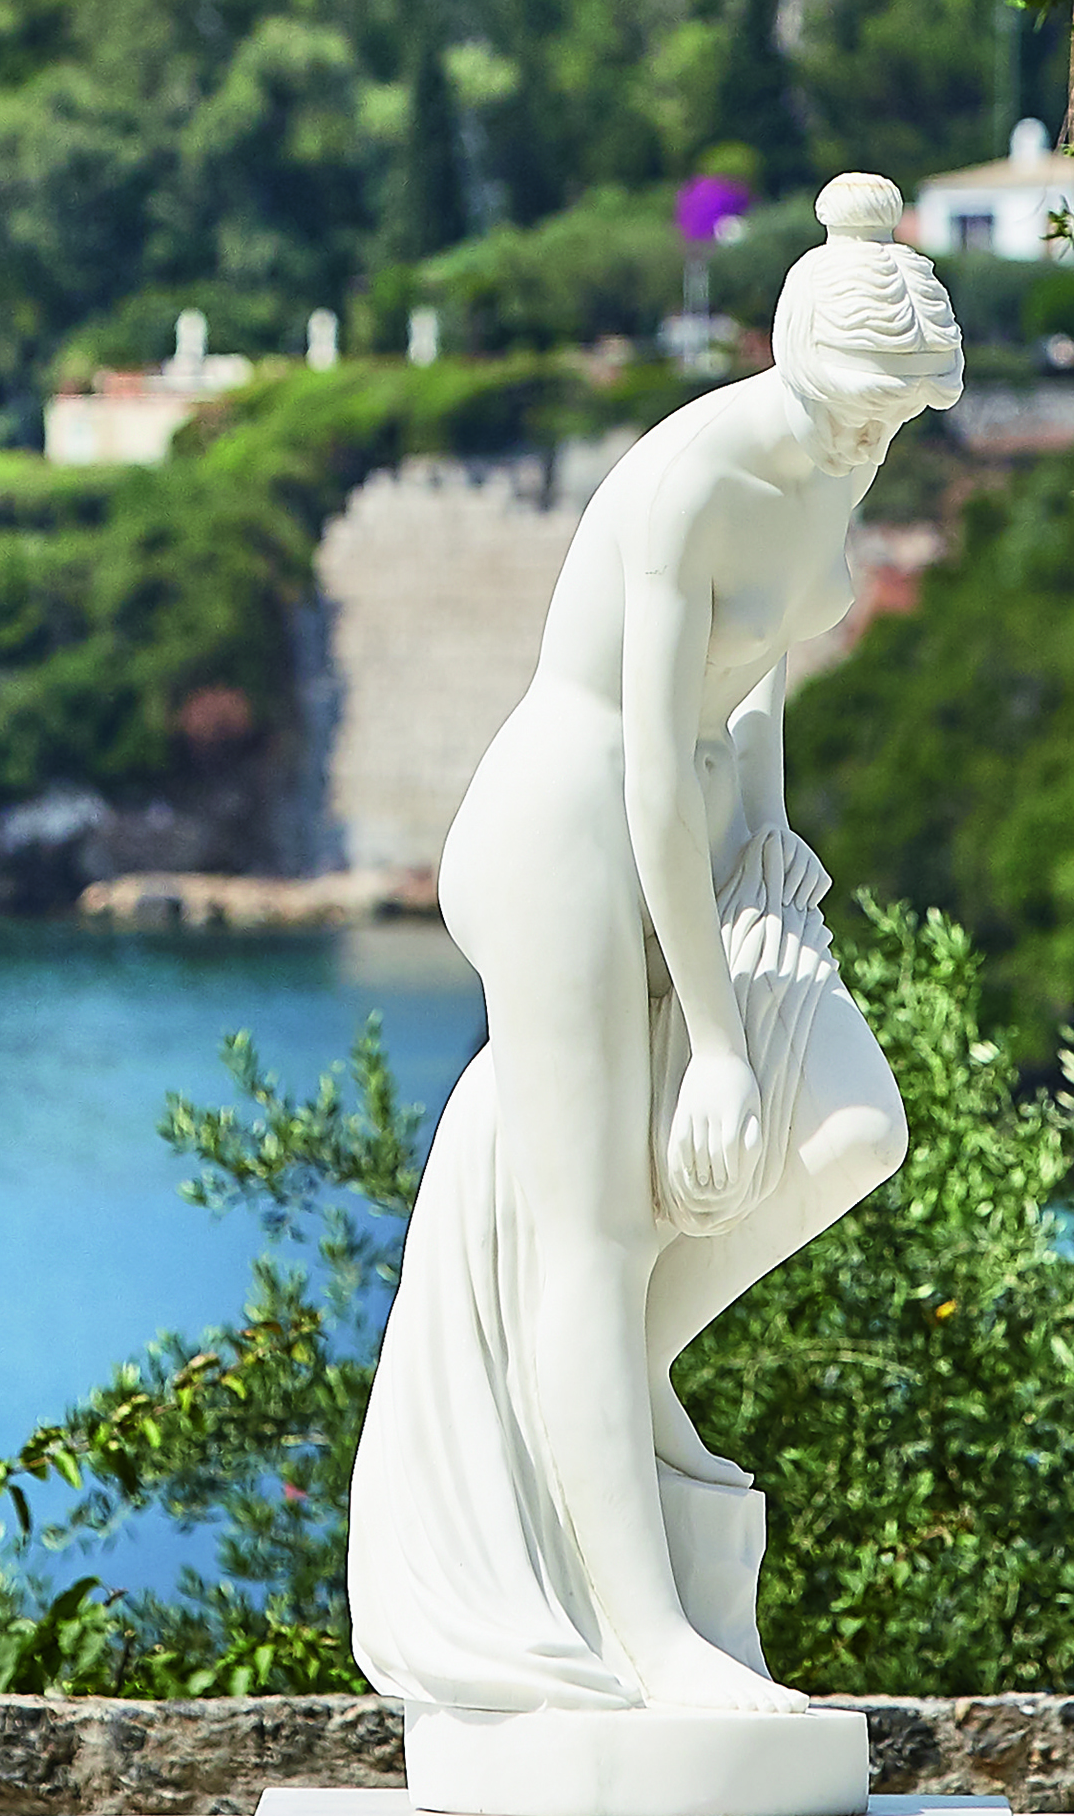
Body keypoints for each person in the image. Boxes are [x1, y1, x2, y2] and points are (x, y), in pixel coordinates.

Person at [347, 171, 961, 1720]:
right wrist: (714, 1033)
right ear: (789, 358)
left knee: (849, 1132)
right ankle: (647, 1642)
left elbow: (751, 691)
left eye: (896, 422)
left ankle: (589, 1387)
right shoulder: (693, 476)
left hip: (698, 830)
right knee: (597, 1234)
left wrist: (768, 846)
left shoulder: (837, 453)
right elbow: (634, 767)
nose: (869, 447)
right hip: (568, 838)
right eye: (857, 413)